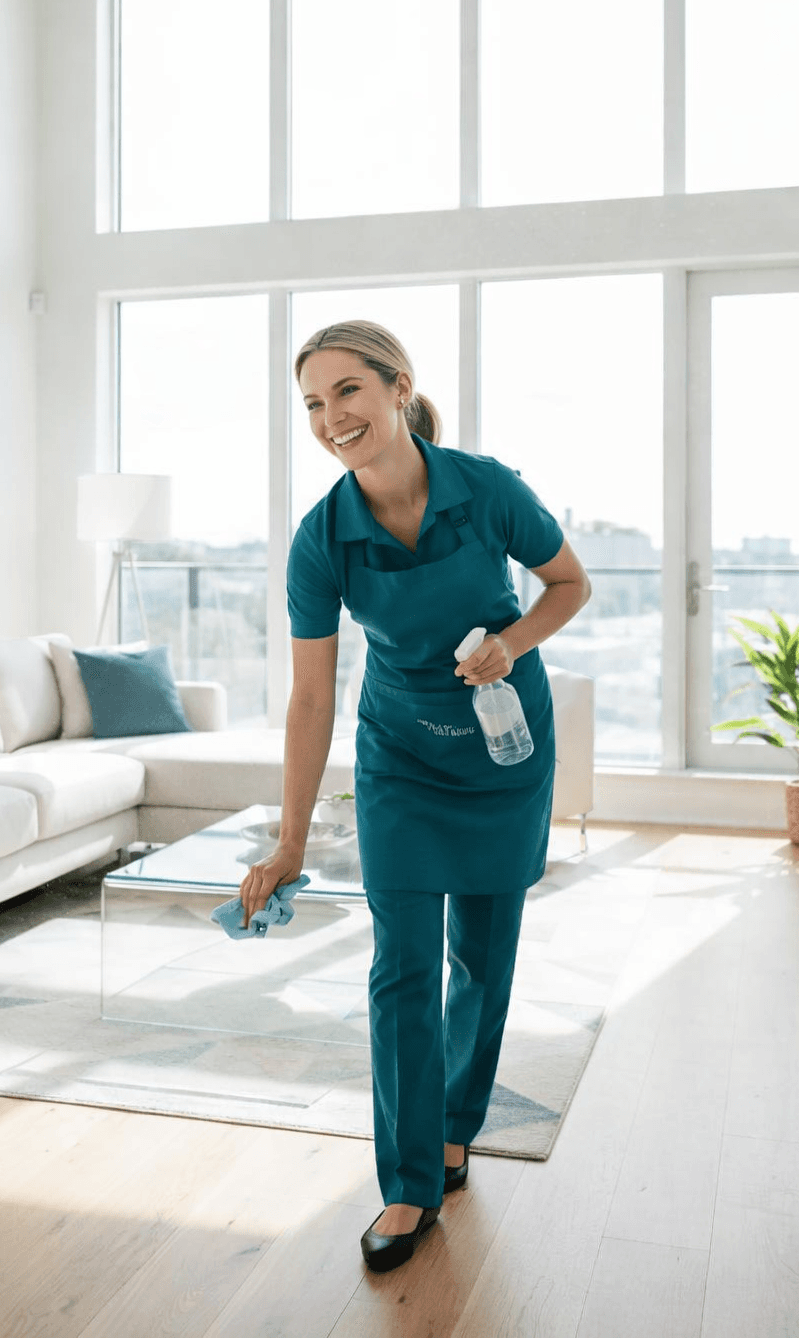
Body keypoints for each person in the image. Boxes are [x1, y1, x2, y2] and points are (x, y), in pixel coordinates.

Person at [239, 320, 591, 1274]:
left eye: (348, 391)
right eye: (314, 404)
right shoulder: (323, 539)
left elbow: (568, 583)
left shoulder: (486, 489)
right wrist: (290, 841)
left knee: (481, 955)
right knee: (401, 964)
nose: (331, 418)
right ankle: (406, 1184)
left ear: (399, 388)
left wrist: (512, 643)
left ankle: (451, 1132)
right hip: (399, 755)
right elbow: (311, 698)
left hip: (502, 747)